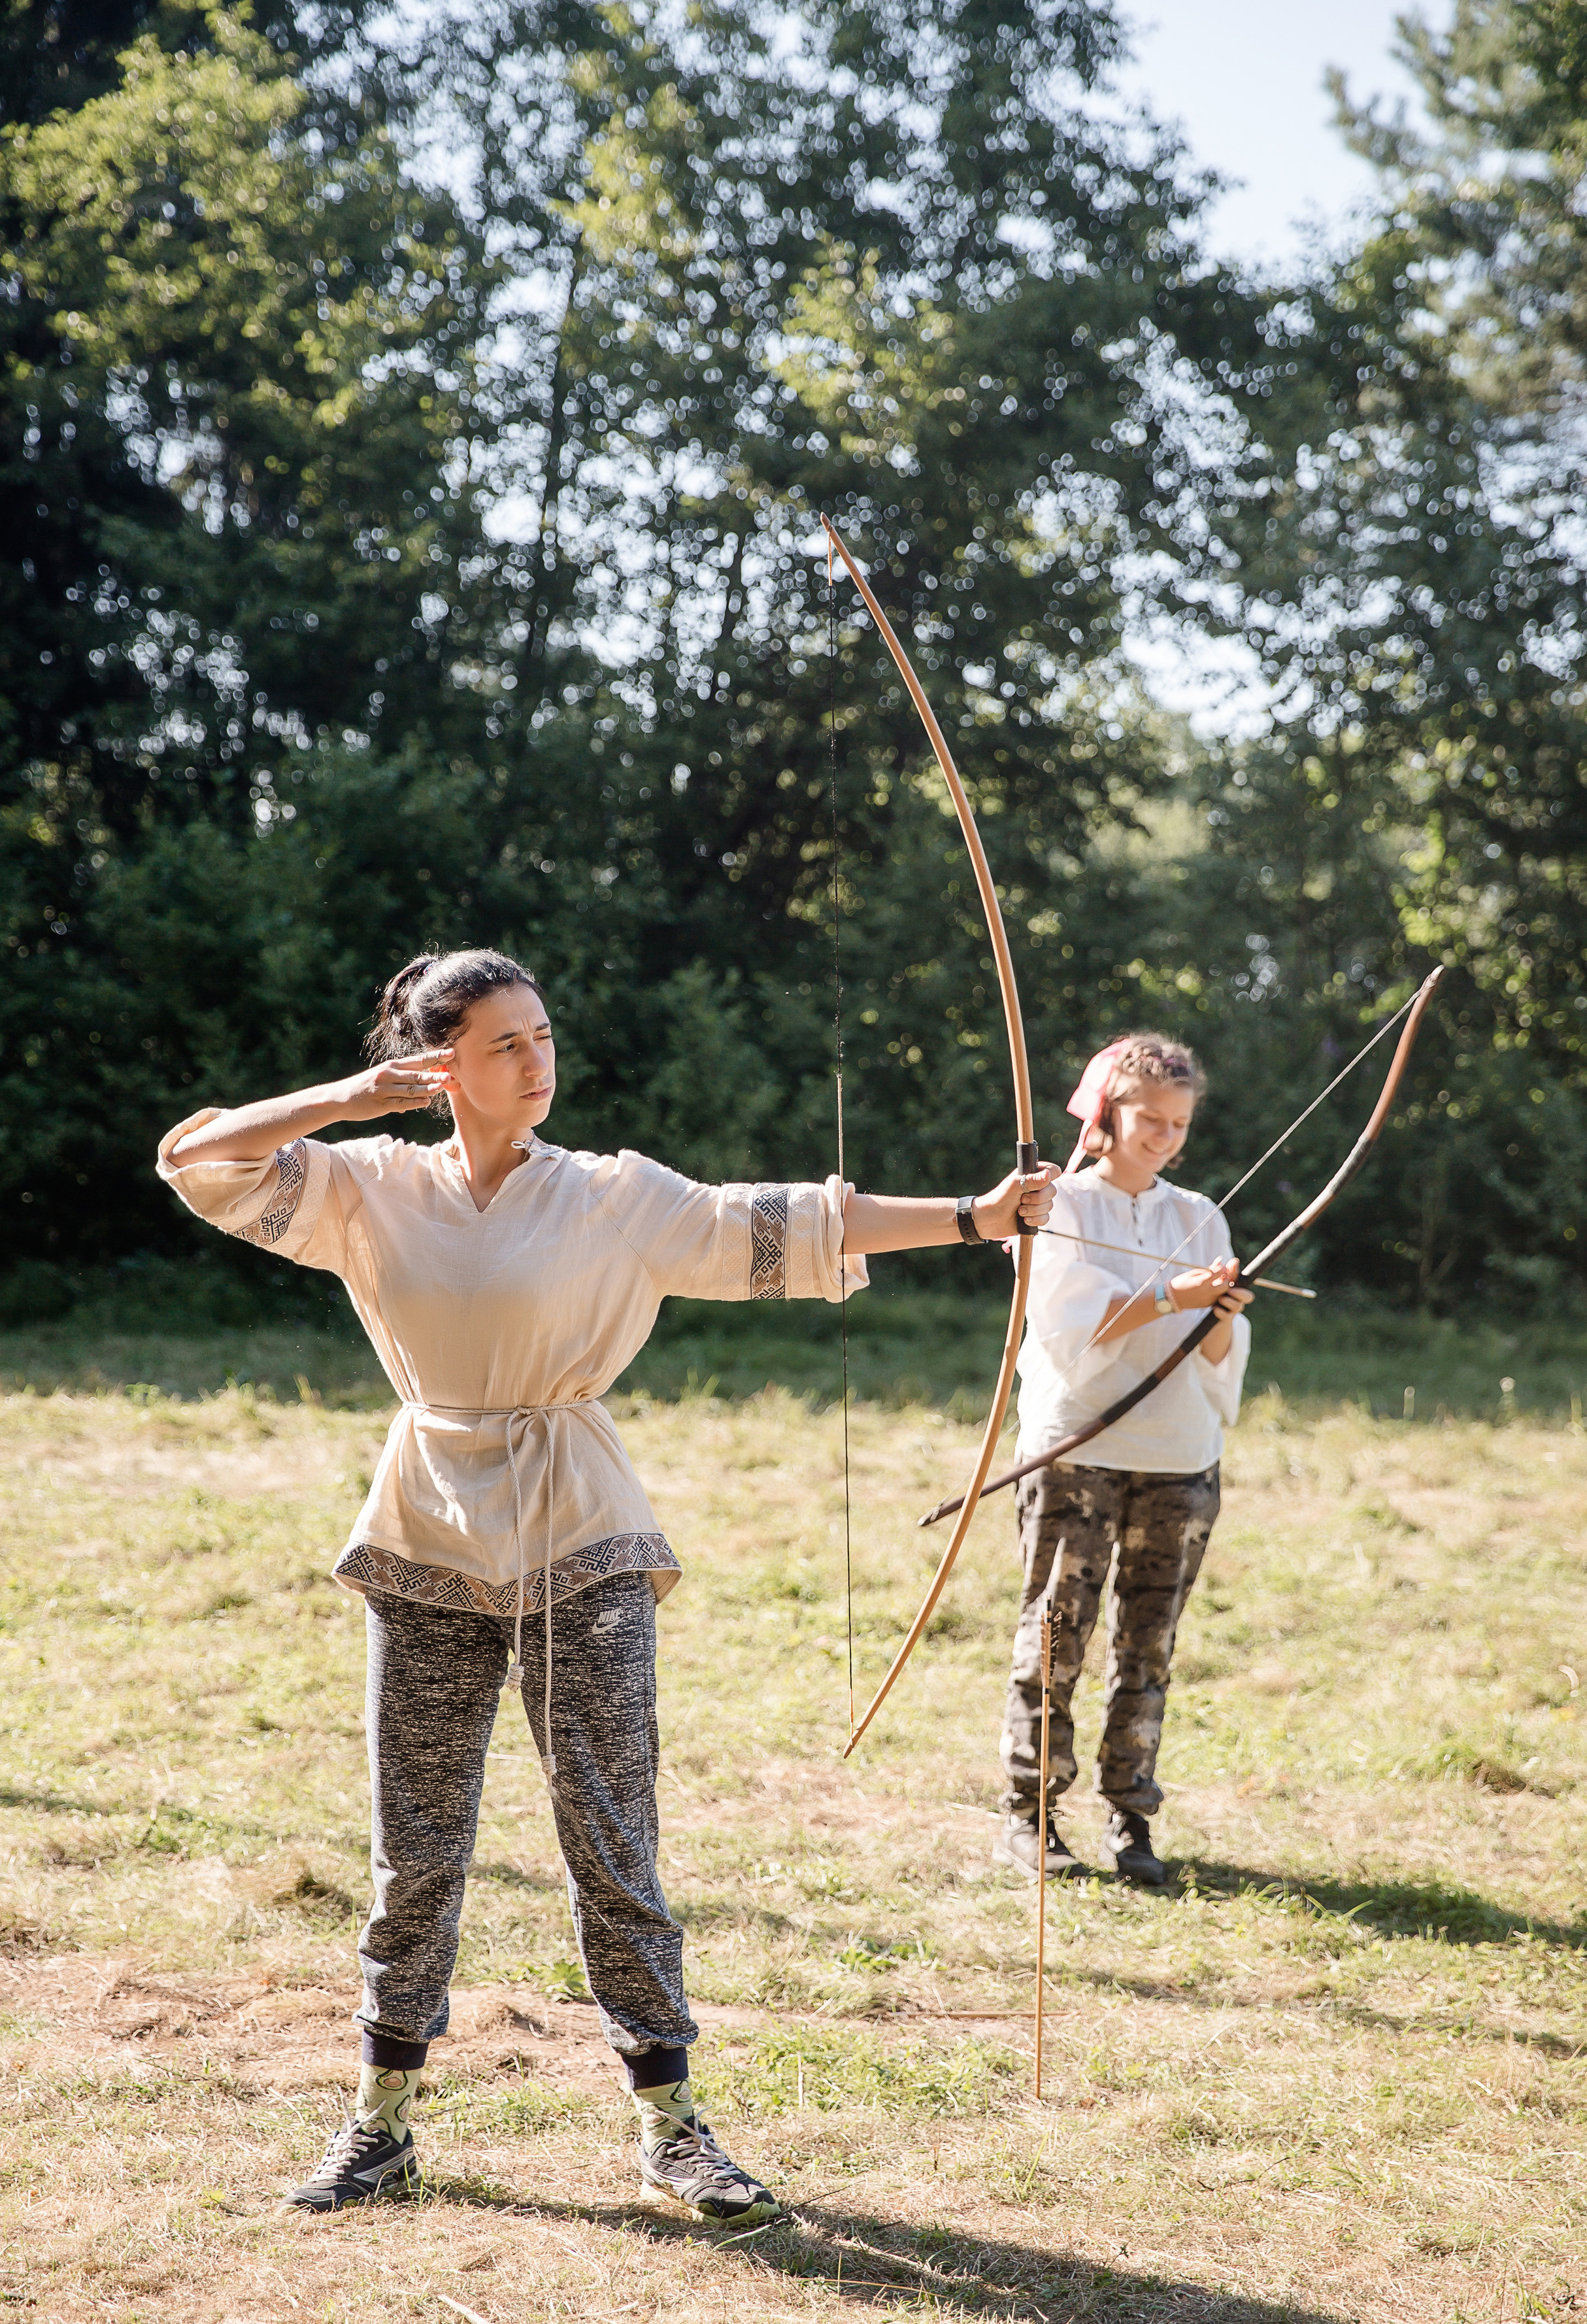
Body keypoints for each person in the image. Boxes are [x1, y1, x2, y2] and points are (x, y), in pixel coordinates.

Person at [157, 946, 1057, 2222]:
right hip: (426, 1524)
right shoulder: (369, 1186)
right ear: (439, 1068)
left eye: (542, 1035)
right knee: (414, 1850)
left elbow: (796, 1220)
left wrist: (973, 1217)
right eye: (504, 1045)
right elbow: (196, 1160)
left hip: (582, 1524)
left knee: (609, 1839)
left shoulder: (609, 1194)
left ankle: (672, 2129)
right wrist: (351, 1100)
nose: (537, 1060)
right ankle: (381, 2124)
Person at [993, 1032, 1250, 1889]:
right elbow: (1069, 1329)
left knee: (1150, 1642)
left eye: (1179, 1124)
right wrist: (1169, 1296)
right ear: (1106, 1111)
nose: (1165, 1138)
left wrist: (1217, 1313)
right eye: (1150, 1119)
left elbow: (1220, 1354)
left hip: (1179, 1456)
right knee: (1058, 1632)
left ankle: (1130, 1819)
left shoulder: (1196, 1214)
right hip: (1079, 1453)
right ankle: (1030, 1818)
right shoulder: (1060, 1205)